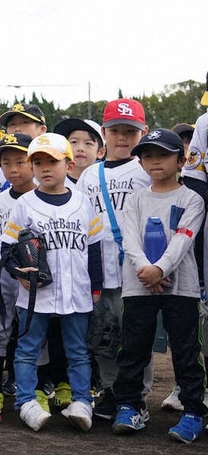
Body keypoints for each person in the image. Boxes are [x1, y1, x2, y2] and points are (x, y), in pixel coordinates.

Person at [0, 133, 103, 432]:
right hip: (36, 294)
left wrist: (95, 288)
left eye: (52, 162)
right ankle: (26, 402)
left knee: (78, 351)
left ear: (68, 165)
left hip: (77, 291)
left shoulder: (84, 204)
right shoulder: (25, 205)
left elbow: (94, 249)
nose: (45, 168)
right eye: (38, 162)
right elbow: (7, 249)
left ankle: (83, 402)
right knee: (28, 348)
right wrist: (19, 274)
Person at [110, 129, 207, 442]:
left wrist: (160, 268)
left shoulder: (192, 199)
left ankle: (193, 411)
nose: (154, 161)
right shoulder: (135, 199)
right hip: (138, 286)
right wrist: (146, 271)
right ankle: (130, 406)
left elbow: (183, 238)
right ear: (139, 162)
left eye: (163, 155)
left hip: (182, 288)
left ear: (181, 160)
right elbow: (129, 239)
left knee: (186, 350)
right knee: (133, 348)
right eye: (147, 155)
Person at [75, 99, 150, 420]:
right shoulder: (91, 174)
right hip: (98, 269)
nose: (122, 138)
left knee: (134, 334)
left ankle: (137, 395)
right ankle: (110, 389)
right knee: (102, 335)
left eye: (130, 132)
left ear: (142, 132)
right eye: (115, 131)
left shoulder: (147, 168)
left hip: (135, 268)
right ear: (104, 133)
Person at [0, 132, 35, 412]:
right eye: (6, 163)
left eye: (20, 161)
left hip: (31, 276)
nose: (13, 169)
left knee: (29, 328)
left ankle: (23, 381)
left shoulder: (43, 196)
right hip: (2, 272)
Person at [54, 118, 105, 184]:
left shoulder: (107, 182)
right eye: (74, 142)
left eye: (88, 143)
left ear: (101, 152)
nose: (80, 148)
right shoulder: (54, 183)